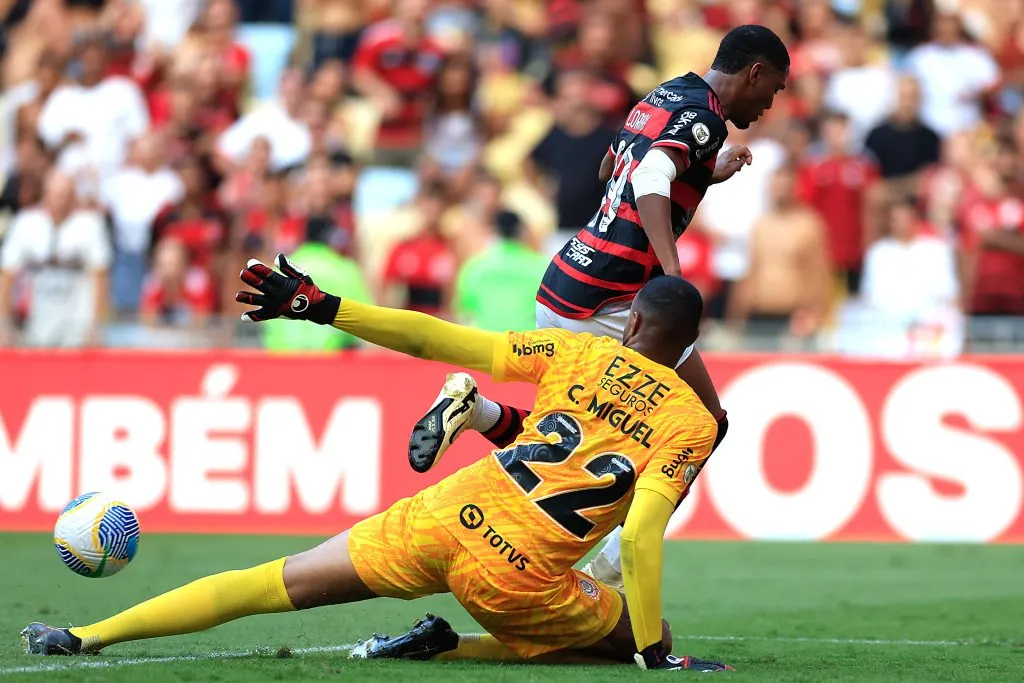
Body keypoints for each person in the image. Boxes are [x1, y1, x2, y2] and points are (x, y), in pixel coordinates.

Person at [24, 255, 730, 673]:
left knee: (278, 579)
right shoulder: (693, 422)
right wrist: (653, 652)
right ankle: (446, 648)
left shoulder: (578, 351)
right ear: (689, 345)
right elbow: (639, 537)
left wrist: (325, 307)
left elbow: (434, 337)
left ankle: (87, 633)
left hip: (446, 515)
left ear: (632, 322)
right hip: (521, 575)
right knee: (631, 637)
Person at [406, 24, 790, 589]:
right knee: (703, 424)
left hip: (567, 278)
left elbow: (612, 169)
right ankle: (611, 568)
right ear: (754, 72)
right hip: (618, 299)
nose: (770, 104)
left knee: (572, 435)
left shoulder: (663, 94)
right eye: (773, 89)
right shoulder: (706, 119)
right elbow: (651, 175)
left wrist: (705, 172)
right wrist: (673, 273)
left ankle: (477, 411)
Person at [453, 209, 548, 332]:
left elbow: (464, 308)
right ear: (522, 232)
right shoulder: (541, 265)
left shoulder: (476, 265)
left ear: (494, 232)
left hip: (487, 335)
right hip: (526, 338)